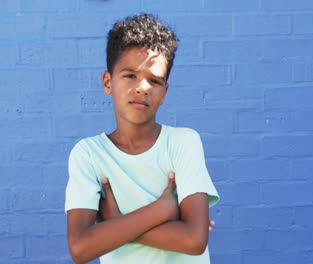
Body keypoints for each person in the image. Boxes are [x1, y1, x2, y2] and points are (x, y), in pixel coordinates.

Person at [64, 13, 220, 264]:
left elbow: (194, 240)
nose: (142, 87)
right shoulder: (89, 154)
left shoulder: (183, 143)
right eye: (130, 76)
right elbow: (81, 248)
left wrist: (114, 225)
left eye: (155, 80)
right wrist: (163, 211)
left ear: (164, 92)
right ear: (107, 82)